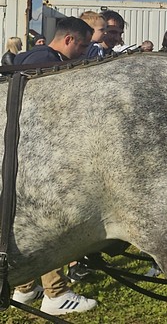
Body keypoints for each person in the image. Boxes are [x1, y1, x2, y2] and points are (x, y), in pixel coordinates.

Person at [12, 17, 98, 315]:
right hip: (34, 156)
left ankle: (25, 288)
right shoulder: (46, 63)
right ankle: (56, 293)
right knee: (50, 225)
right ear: (69, 40)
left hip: (23, 153)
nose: (84, 53)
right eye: (83, 46)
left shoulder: (31, 57)